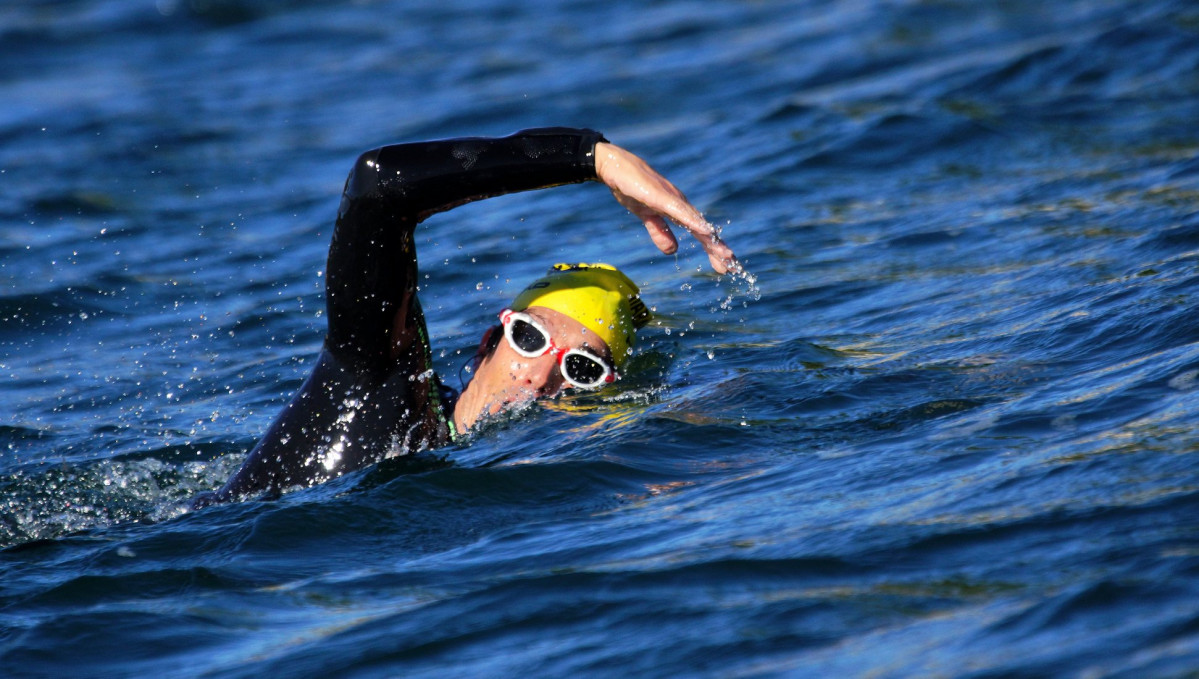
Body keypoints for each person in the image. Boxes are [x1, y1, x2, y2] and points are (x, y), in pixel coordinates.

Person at [194, 127, 736, 506]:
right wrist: (593, 158)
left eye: (582, 369)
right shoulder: (375, 387)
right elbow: (376, 188)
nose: (540, 377)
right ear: (488, 342)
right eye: (529, 338)